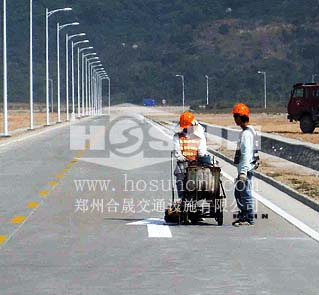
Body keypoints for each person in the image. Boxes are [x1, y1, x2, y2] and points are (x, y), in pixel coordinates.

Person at [232, 103, 259, 227]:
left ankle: (248, 218)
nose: (234, 119)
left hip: (246, 169)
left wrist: (242, 173)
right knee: (239, 193)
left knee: (245, 193)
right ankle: (244, 215)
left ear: (239, 117)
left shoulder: (246, 134)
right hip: (247, 168)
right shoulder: (249, 131)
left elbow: (246, 154)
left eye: (235, 116)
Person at [173, 111, 208, 201]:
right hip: (183, 164)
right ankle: (182, 199)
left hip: (197, 165)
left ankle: (197, 196)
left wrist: (200, 160)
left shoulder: (199, 135)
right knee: (180, 176)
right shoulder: (178, 136)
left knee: (202, 177)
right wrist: (183, 159)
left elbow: (202, 151)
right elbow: (177, 152)